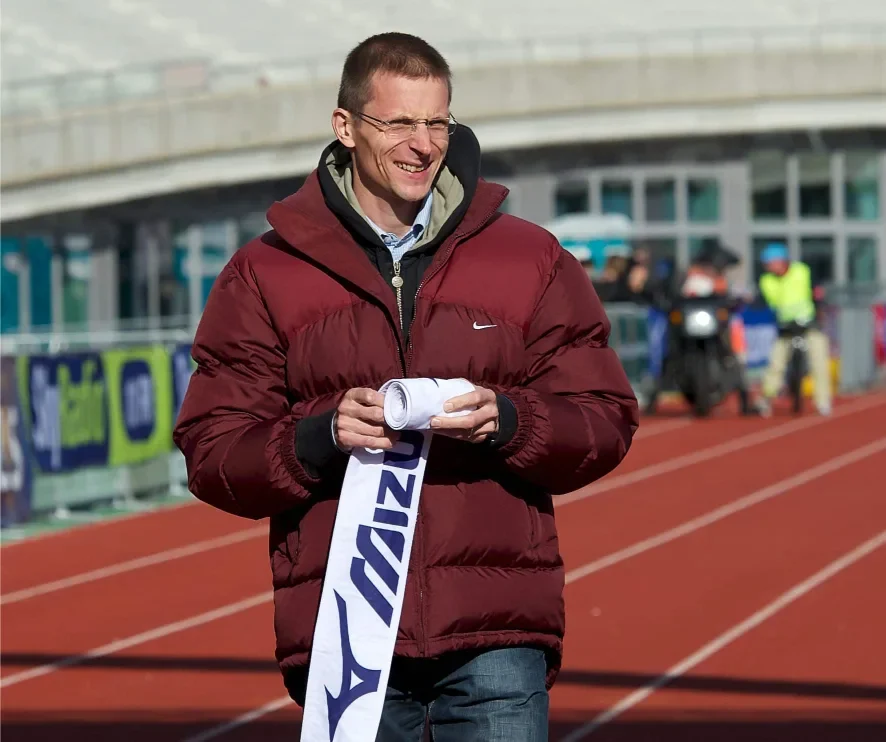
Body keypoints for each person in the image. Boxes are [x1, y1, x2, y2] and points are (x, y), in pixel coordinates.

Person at [172, 32, 639, 741]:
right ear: (346, 127)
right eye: (399, 123)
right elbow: (212, 449)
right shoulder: (264, 272)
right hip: (347, 639)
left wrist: (509, 421)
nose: (423, 145)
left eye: (437, 123)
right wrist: (318, 436)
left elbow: (604, 418)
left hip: (496, 634)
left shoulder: (530, 257)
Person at [643, 240, 756, 415]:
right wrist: (666, 303)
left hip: (713, 326)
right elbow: (670, 296)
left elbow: (732, 297)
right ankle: (652, 401)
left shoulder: (720, 282)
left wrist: (734, 302)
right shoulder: (687, 278)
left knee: (732, 355)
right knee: (669, 356)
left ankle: (745, 400)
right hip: (686, 328)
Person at [756, 242, 832, 416]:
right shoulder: (766, 281)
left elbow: (816, 292)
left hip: (809, 324)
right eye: (767, 264)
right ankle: (766, 398)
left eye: (772, 262)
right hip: (785, 328)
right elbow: (765, 303)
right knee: (776, 363)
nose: (770, 267)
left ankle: (823, 402)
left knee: (819, 361)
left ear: (782, 261)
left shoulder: (802, 271)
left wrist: (819, 307)